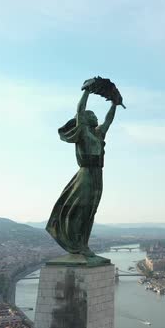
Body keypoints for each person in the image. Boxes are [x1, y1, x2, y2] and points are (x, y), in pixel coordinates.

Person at [46, 78, 120, 257]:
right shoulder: (83, 132)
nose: (96, 117)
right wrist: (86, 91)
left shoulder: (97, 134)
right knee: (81, 207)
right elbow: (79, 111)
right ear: (86, 119)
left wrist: (114, 104)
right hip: (86, 173)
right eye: (92, 115)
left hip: (97, 174)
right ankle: (74, 242)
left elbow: (108, 121)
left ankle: (83, 244)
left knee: (90, 210)